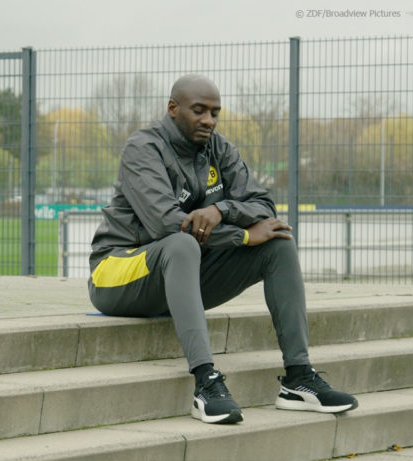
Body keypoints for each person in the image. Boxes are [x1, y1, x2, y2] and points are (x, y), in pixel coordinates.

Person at [87, 74, 358, 424]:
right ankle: (206, 382)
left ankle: (299, 378)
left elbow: (262, 204)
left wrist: (222, 210)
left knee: (277, 243)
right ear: (173, 109)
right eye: (199, 110)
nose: (208, 120)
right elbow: (166, 225)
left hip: (181, 271)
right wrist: (242, 237)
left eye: (215, 112)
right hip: (119, 273)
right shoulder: (143, 148)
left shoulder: (219, 147)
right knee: (182, 243)